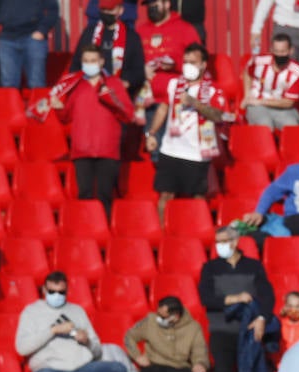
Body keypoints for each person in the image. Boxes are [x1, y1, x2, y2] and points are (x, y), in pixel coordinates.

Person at [145, 44, 229, 220]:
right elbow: (163, 108)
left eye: (193, 62)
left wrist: (195, 103)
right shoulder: (174, 84)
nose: (188, 66)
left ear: (203, 65)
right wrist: (152, 133)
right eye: (185, 62)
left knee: (197, 198)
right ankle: (163, 232)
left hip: (196, 154)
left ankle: (196, 230)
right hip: (170, 149)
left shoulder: (213, 90)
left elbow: (220, 116)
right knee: (165, 195)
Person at [52, 45, 134, 217]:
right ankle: (85, 229)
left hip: (107, 149)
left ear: (101, 62)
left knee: (105, 196)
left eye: (93, 61)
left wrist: (110, 98)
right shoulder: (76, 85)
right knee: (84, 195)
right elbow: (66, 116)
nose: (89, 64)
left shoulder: (113, 84)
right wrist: (59, 108)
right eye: (86, 61)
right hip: (82, 149)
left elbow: (128, 114)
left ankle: (105, 229)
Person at [15, 273, 128, 372]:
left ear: (67, 291)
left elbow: (97, 351)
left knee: (118, 370)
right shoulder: (31, 312)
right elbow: (22, 348)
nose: (56, 295)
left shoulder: (77, 311)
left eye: (61, 292)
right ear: (44, 290)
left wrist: (87, 341)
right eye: (52, 292)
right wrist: (53, 330)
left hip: (82, 369)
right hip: (50, 370)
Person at [199, 225, 276, 372]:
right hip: (221, 331)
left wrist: (262, 318)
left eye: (223, 241)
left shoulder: (254, 266)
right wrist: (235, 298)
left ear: (234, 242)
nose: (219, 246)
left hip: (249, 331)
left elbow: (267, 296)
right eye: (217, 242)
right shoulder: (210, 268)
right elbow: (206, 298)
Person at [123, 296, 210, 372]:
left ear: (176, 317)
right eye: (158, 314)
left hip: (180, 368)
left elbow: (199, 349)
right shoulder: (150, 321)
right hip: (155, 366)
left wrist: (199, 364)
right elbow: (129, 336)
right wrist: (137, 356)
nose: (158, 318)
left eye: (163, 317)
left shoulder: (193, 327)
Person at [137, 0, 201, 120]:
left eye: (155, 4)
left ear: (167, 4)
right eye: (149, 5)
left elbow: (198, 64)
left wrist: (175, 65)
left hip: (175, 101)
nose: (151, 8)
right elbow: (130, 62)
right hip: (145, 101)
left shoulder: (185, 29)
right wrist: (141, 69)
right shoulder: (140, 31)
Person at [69, 0, 144, 99]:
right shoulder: (89, 34)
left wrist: (126, 83)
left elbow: (138, 71)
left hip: (120, 95)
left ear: (120, 10)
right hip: (90, 93)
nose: (107, 13)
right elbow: (75, 65)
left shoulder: (131, 37)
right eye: (104, 10)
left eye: (110, 10)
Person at [0, 0, 58, 89]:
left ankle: (37, 99)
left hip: (33, 40)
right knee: (8, 84)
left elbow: (53, 9)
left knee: (36, 83)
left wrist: (42, 30)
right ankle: (12, 99)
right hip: (7, 40)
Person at [242, 32, 299, 130]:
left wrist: (262, 101)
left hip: (282, 108)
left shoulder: (297, 72)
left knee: (292, 127)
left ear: (291, 51)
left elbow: (288, 102)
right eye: (276, 51)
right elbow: (247, 72)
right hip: (257, 106)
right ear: (271, 50)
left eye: (283, 51)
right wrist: (247, 95)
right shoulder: (259, 61)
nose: (279, 55)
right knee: (265, 125)